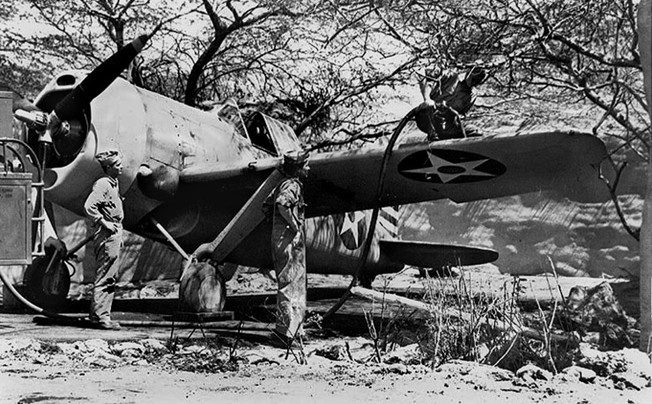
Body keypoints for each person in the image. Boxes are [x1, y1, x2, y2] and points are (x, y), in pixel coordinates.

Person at [263, 149, 310, 346]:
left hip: (279, 239)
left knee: (286, 284)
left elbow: (267, 206)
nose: (308, 168)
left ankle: (286, 330)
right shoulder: (292, 185)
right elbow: (282, 204)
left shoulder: (280, 184)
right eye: (305, 165)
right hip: (289, 240)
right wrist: (294, 225)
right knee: (293, 285)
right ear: (298, 169)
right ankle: (289, 335)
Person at [83, 150, 125, 330]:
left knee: (107, 275)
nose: (121, 167)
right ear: (108, 168)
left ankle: (97, 316)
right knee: (106, 276)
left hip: (113, 233)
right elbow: (89, 206)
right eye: (117, 165)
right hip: (107, 235)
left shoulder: (113, 184)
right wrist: (104, 223)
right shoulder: (103, 184)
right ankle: (102, 318)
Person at [416, 65, 487, 141]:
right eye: (473, 79)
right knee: (428, 105)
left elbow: (460, 115)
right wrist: (427, 98)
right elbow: (424, 75)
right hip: (428, 116)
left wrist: (453, 115)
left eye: (477, 81)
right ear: (468, 72)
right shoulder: (451, 76)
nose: (474, 82)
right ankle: (433, 137)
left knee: (475, 131)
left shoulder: (472, 96)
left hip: (447, 124)